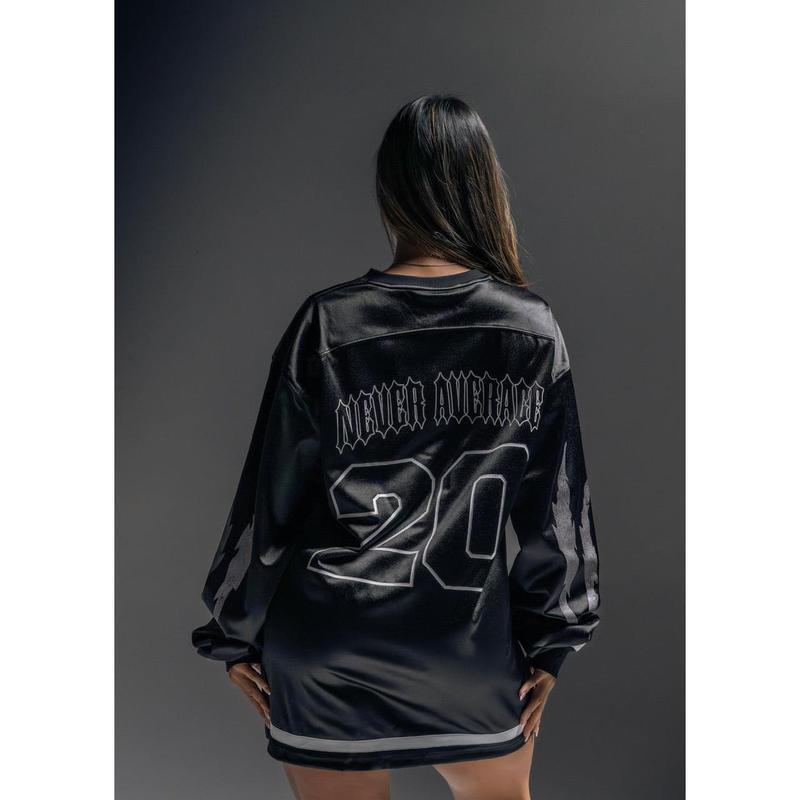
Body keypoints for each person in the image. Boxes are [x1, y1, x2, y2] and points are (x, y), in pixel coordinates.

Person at [192, 95, 600, 800]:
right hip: (465, 653)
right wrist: (553, 642)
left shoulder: (327, 324)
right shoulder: (531, 331)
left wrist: (233, 634)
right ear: (484, 186)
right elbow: (556, 510)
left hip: (328, 647)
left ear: (390, 191)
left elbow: (269, 504)